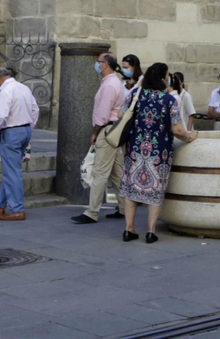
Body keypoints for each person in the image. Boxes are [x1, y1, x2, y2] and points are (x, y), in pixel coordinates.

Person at [119, 62, 197, 242]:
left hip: (135, 150)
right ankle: (150, 232)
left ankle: (129, 229)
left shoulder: (135, 94)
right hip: (159, 154)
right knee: (155, 191)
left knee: (131, 189)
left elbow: (119, 115)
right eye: (167, 76)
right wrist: (190, 136)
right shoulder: (169, 100)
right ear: (163, 79)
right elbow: (178, 130)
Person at [73, 52, 128, 224]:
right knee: (116, 173)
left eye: (99, 61)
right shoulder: (113, 82)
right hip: (114, 130)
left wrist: (95, 133)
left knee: (100, 172)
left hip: (107, 131)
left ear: (105, 64)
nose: (97, 64)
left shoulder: (109, 85)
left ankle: (92, 212)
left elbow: (103, 115)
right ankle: (124, 208)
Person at [0, 65, 38, 221]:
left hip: (12, 132)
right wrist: (28, 126)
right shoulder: (23, 88)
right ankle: (0, 204)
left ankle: (17, 209)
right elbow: (35, 109)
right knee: (11, 169)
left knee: (12, 172)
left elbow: (1, 115)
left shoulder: (5, 91)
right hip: (25, 130)